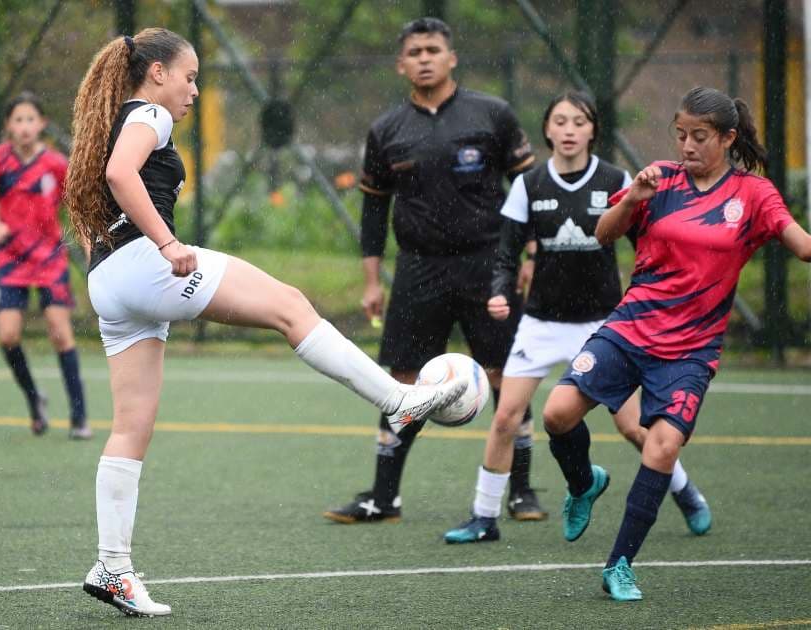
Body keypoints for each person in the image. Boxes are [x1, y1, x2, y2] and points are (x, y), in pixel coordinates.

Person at [65, 28, 465, 617]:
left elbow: (102, 197)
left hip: (108, 281)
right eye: (190, 76)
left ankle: (112, 567)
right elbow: (124, 176)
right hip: (145, 265)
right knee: (292, 307)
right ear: (156, 73)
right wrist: (168, 243)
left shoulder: (112, 119)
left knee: (131, 427)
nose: (194, 90)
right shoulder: (150, 112)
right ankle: (397, 401)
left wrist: (129, 261)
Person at [543, 86, 811, 601]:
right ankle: (583, 484)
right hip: (629, 329)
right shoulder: (659, 179)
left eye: (700, 137)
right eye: (681, 134)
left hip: (691, 350)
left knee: (663, 447)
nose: (686, 145)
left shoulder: (754, 196)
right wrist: (634, 201)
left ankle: (619, 564)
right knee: (556, 414)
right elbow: (602, 233)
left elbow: (799, 245)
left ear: (729, 138)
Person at [444, 92, 710, 544]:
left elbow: (647, 244)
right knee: (506, 416)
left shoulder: (615, 179)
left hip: (603, 326)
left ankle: (686, 493)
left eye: (579, 122)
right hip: (542, 321)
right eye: (560, 121)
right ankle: (484, 517)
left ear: (593, 131)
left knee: (632, 425)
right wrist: (498, 293)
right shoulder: (530, 185)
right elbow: (506, 253)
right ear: (546, 130)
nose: (569, 130)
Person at [325, 17, 541, 525]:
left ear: (452, 58)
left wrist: (531, 254)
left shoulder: (493, 115)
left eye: (433, 49)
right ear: (402, 64)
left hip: (489, 266)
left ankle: (522, 491)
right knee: (400, 379)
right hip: (418, 269)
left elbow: (533, 190)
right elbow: (374, 211)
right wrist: (373, 281)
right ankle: (384, 496)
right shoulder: (386, 130)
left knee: (504, 376)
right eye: (415, 51)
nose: (424, 58)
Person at [0, 92, 88, 439]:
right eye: (18, 120)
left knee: (60, 333)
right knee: (8, 335)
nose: (25, 127)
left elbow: (75, 206)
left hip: (48, 258)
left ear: (42, 124)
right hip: (10, 258)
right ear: (8, 126)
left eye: (31, 119)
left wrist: (87, 245)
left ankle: (79, 416)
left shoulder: (57, 165)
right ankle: (34, 399)